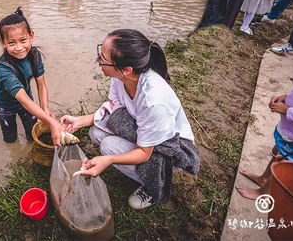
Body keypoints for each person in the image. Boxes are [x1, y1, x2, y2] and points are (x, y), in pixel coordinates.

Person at [61, 29, 199, 210]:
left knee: (107, 146)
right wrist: (80, 120)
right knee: (95, 132)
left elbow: (144, 152)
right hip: (145, 131)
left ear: (126, 69)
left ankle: (154, 185)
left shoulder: (154, 101)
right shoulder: (121, 76)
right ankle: (133, 165)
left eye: (102, 58)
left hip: (172, 148)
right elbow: (113, 106)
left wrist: (109, 159)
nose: (98, 61)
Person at [236, 29, 293, 199]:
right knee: (277, 153)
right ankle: (263, 178)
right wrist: (287, 98)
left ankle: (262, 193)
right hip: (292, 133)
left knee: (282, 165)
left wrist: (288, 110)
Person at [0, 7, 63, 145]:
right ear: (3, 42)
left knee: (32, 134)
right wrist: (50, 121)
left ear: (31, 35)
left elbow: (41, 84)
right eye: (11, 43)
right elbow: (24, 100)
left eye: (23, 40)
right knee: (10, 138)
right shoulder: (2, 68)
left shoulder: (35, 55)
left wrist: (45, 109)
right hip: (6, 106)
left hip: (27, 101)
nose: (19, 47)